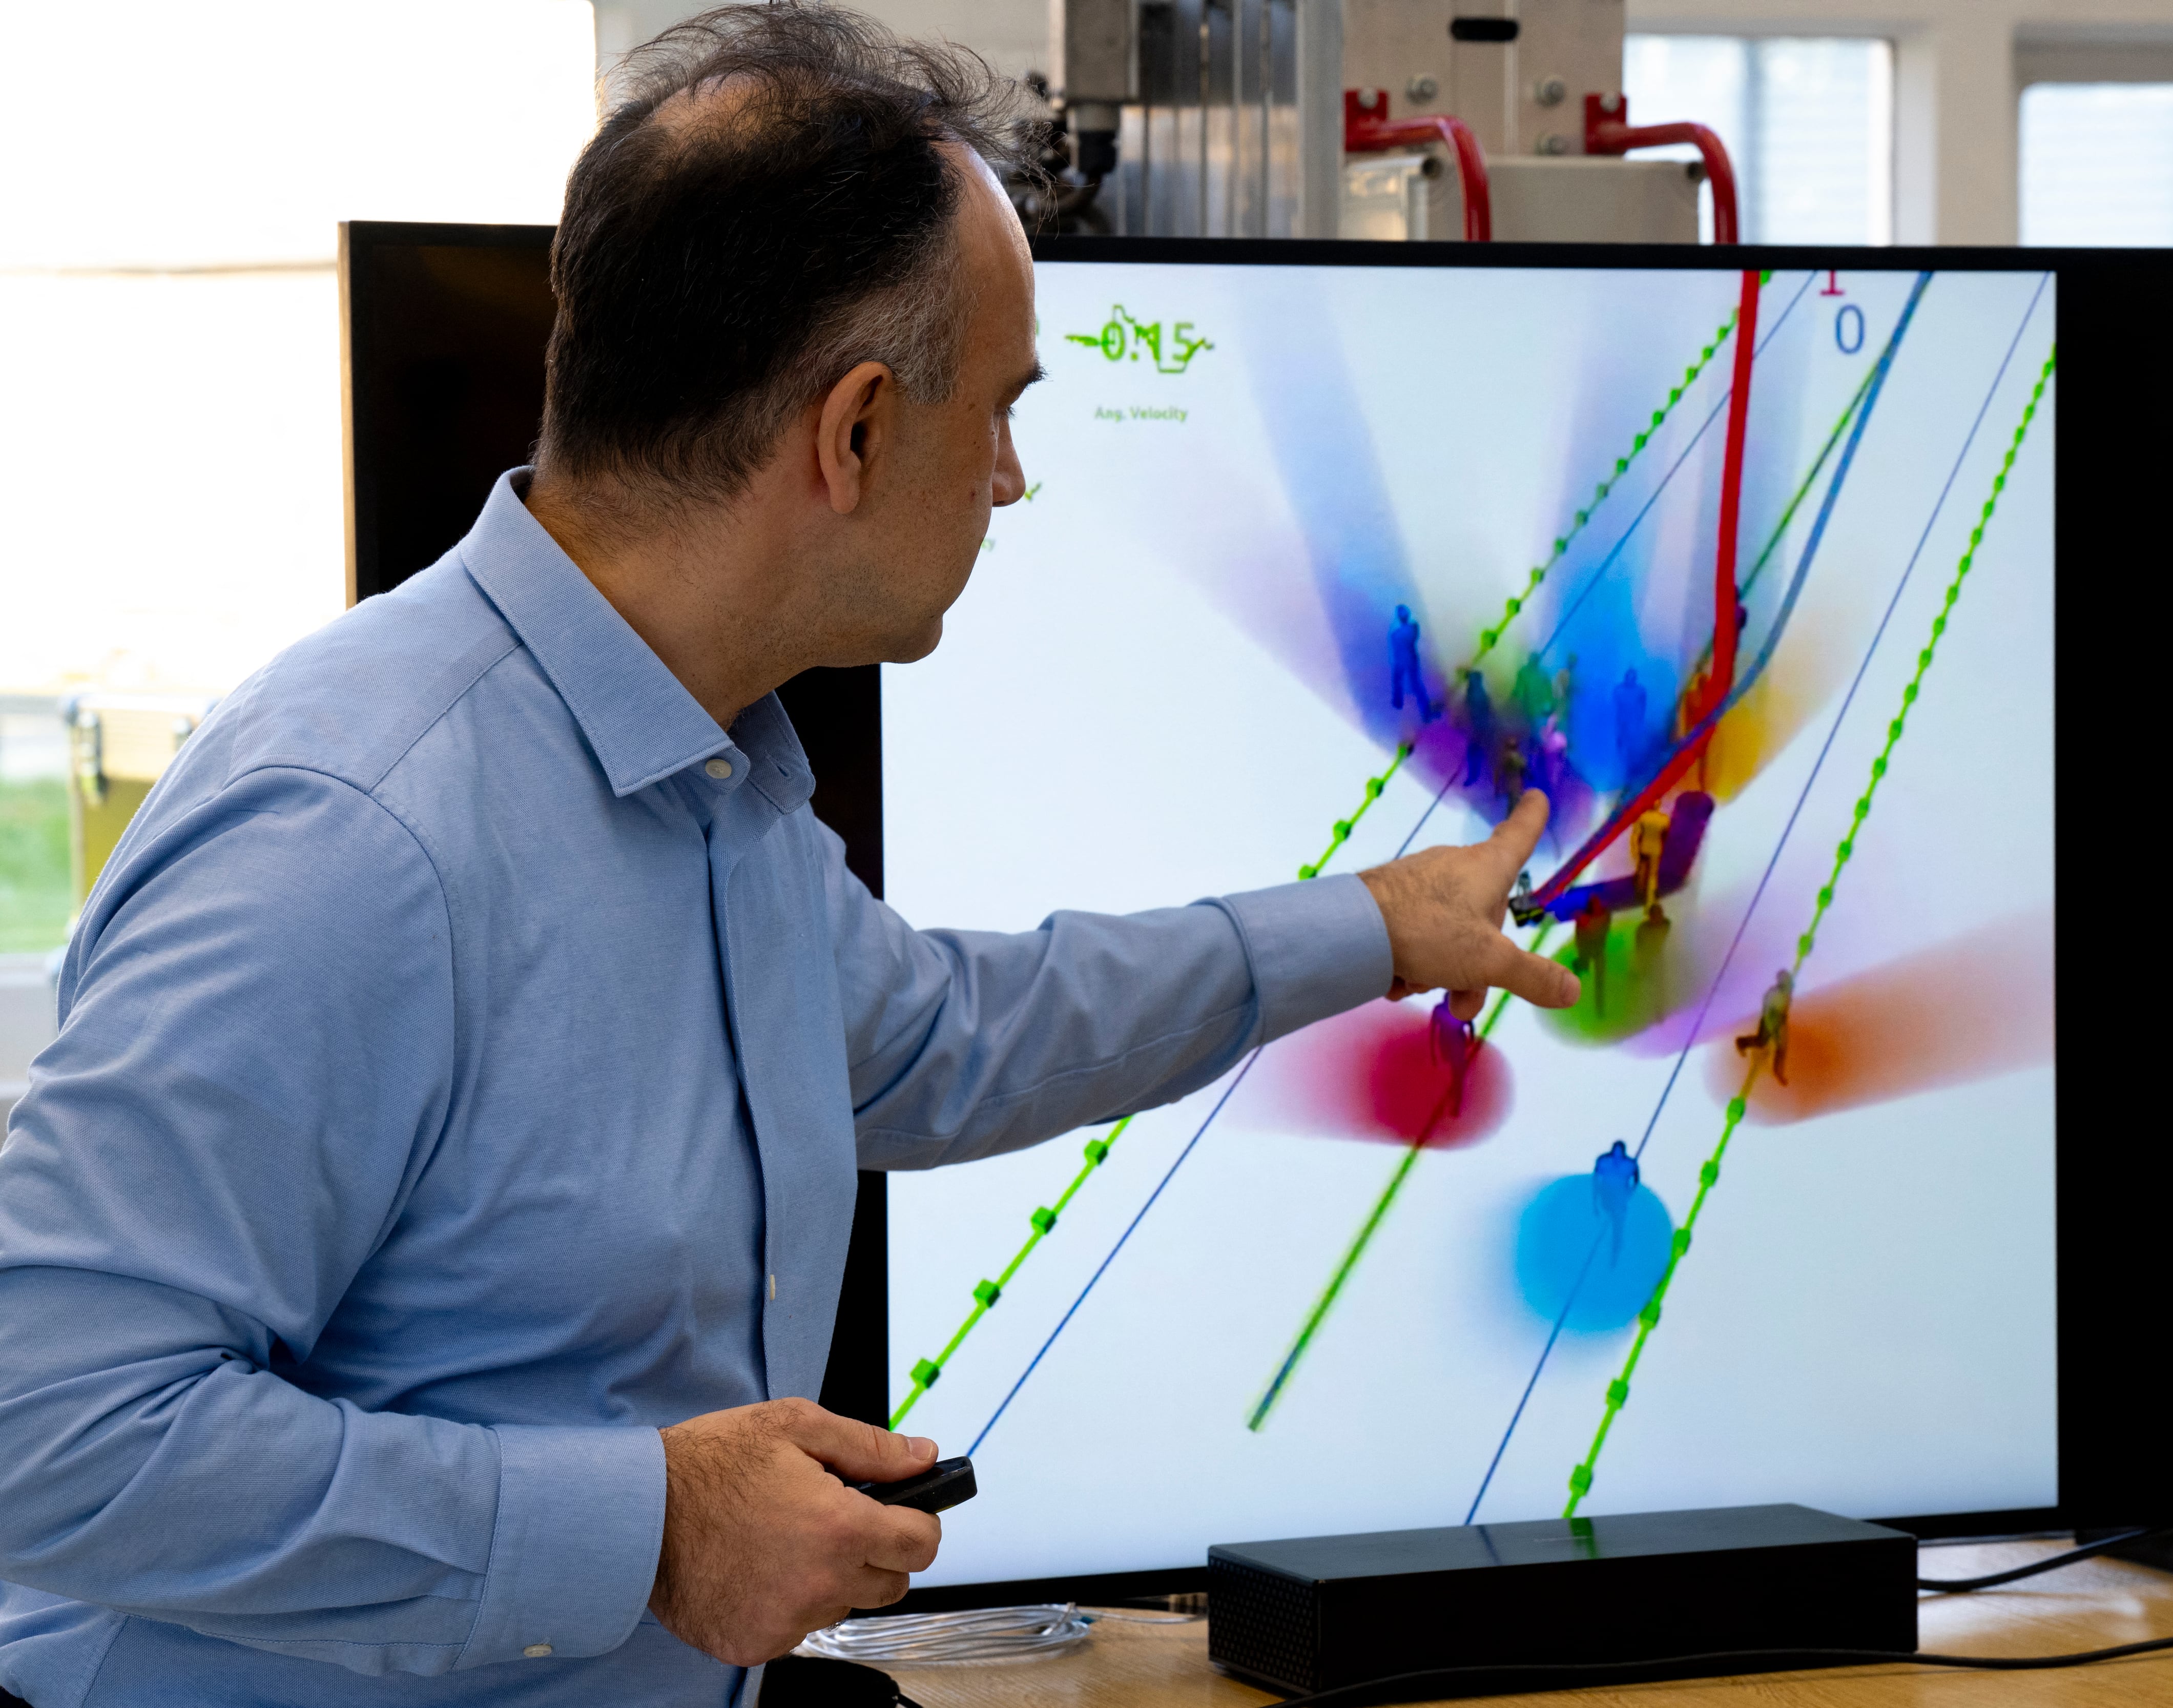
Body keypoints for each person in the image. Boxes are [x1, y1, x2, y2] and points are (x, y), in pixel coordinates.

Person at [0, 11, 1580, 1706]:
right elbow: (51, 1426)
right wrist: (650, 1531)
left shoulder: (709, 767)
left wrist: (1375, 926)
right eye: (998, 413)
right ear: (852, 432)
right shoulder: (354, 826)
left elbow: (933, 1044)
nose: (1012, 479)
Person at [1734, 967, 1795, 1086]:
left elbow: (1784, 1008)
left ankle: (1778, 1071)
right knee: (1762, 1041)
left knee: (1781, 1048)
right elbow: (1769, 1011)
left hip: (1780, 1020)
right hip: (1770, 1020)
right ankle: (1742, 1043)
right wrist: (1772, 1026)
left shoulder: (1786, 993)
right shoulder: (1774, 994)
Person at [1590, 1140, 1640, 1258]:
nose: (1618, 1155)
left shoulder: (1630, 1165)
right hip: (1606, 1197)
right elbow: (1596, 1181)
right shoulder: (1604, 1162)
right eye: (1616, 1152)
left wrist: (1629, 1194)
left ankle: (1615, 1251)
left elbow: (1636, 1183)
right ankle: (1601, 1248)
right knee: (1605, 1221)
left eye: (1620, 1152)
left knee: (1618, 1224)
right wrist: (1595, 1203)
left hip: (1620, 1200)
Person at [1429, 997, 1474, 1121]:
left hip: (1457, 1044)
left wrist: (1471, 1040)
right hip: (1447, 1045)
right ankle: (1449, 1102)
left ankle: (1456, 1106)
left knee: (1458, 1076)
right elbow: (1433, 1030)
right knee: (1453, 1076)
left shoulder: (1456, 1009)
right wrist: (1433, 1053)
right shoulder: (1440, 1010)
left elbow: (1470, 1023)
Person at [1388, 603, 1436, 718]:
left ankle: (1422, 710)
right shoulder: (1409, 629)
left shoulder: (1400, 632)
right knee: (1412, 684)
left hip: (1405, 660)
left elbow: (1401, 642)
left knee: (1409, 683)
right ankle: (1424, 710)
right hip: (1407, 660)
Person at [1630, 806, 1671, 917]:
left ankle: (1641, 897)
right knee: (1653, 876)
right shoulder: (1664, 819)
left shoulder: (1643, 817)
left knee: (1643, 873)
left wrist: (1635, 851)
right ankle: (1649, 902)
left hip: (1645, 847)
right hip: (1656, 849)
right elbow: (1666, 835)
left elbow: (1636, 835)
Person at [1613, 667, 1651, 783]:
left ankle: (1632, 772)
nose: (1630, 680)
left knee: (1633, 747)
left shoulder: (1640, 690)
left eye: (1633, 677)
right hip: (1622, 723)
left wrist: (1640, 719)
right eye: (1628, 677)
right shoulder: (1619, 690)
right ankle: (1622, 771)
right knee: (1622, 745)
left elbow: (1643, 705)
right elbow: (1615, 707)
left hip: (1634, 723)